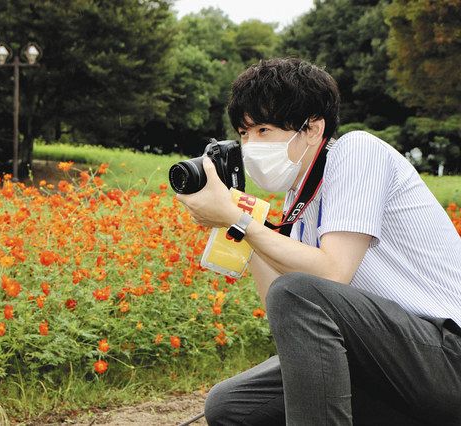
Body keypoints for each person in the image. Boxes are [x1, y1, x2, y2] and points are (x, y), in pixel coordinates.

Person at [176, 58, 461, 425]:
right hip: (389, 364)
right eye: (244, 134)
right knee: (232, 405)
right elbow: (277, 299)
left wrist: (240, 220)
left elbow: (331, 272)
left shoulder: (357, 152)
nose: (250, 146)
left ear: (313, 128)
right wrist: (240, 213)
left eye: (263, 130)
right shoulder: (298, 195)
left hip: (447, 356)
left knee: (299, 291)